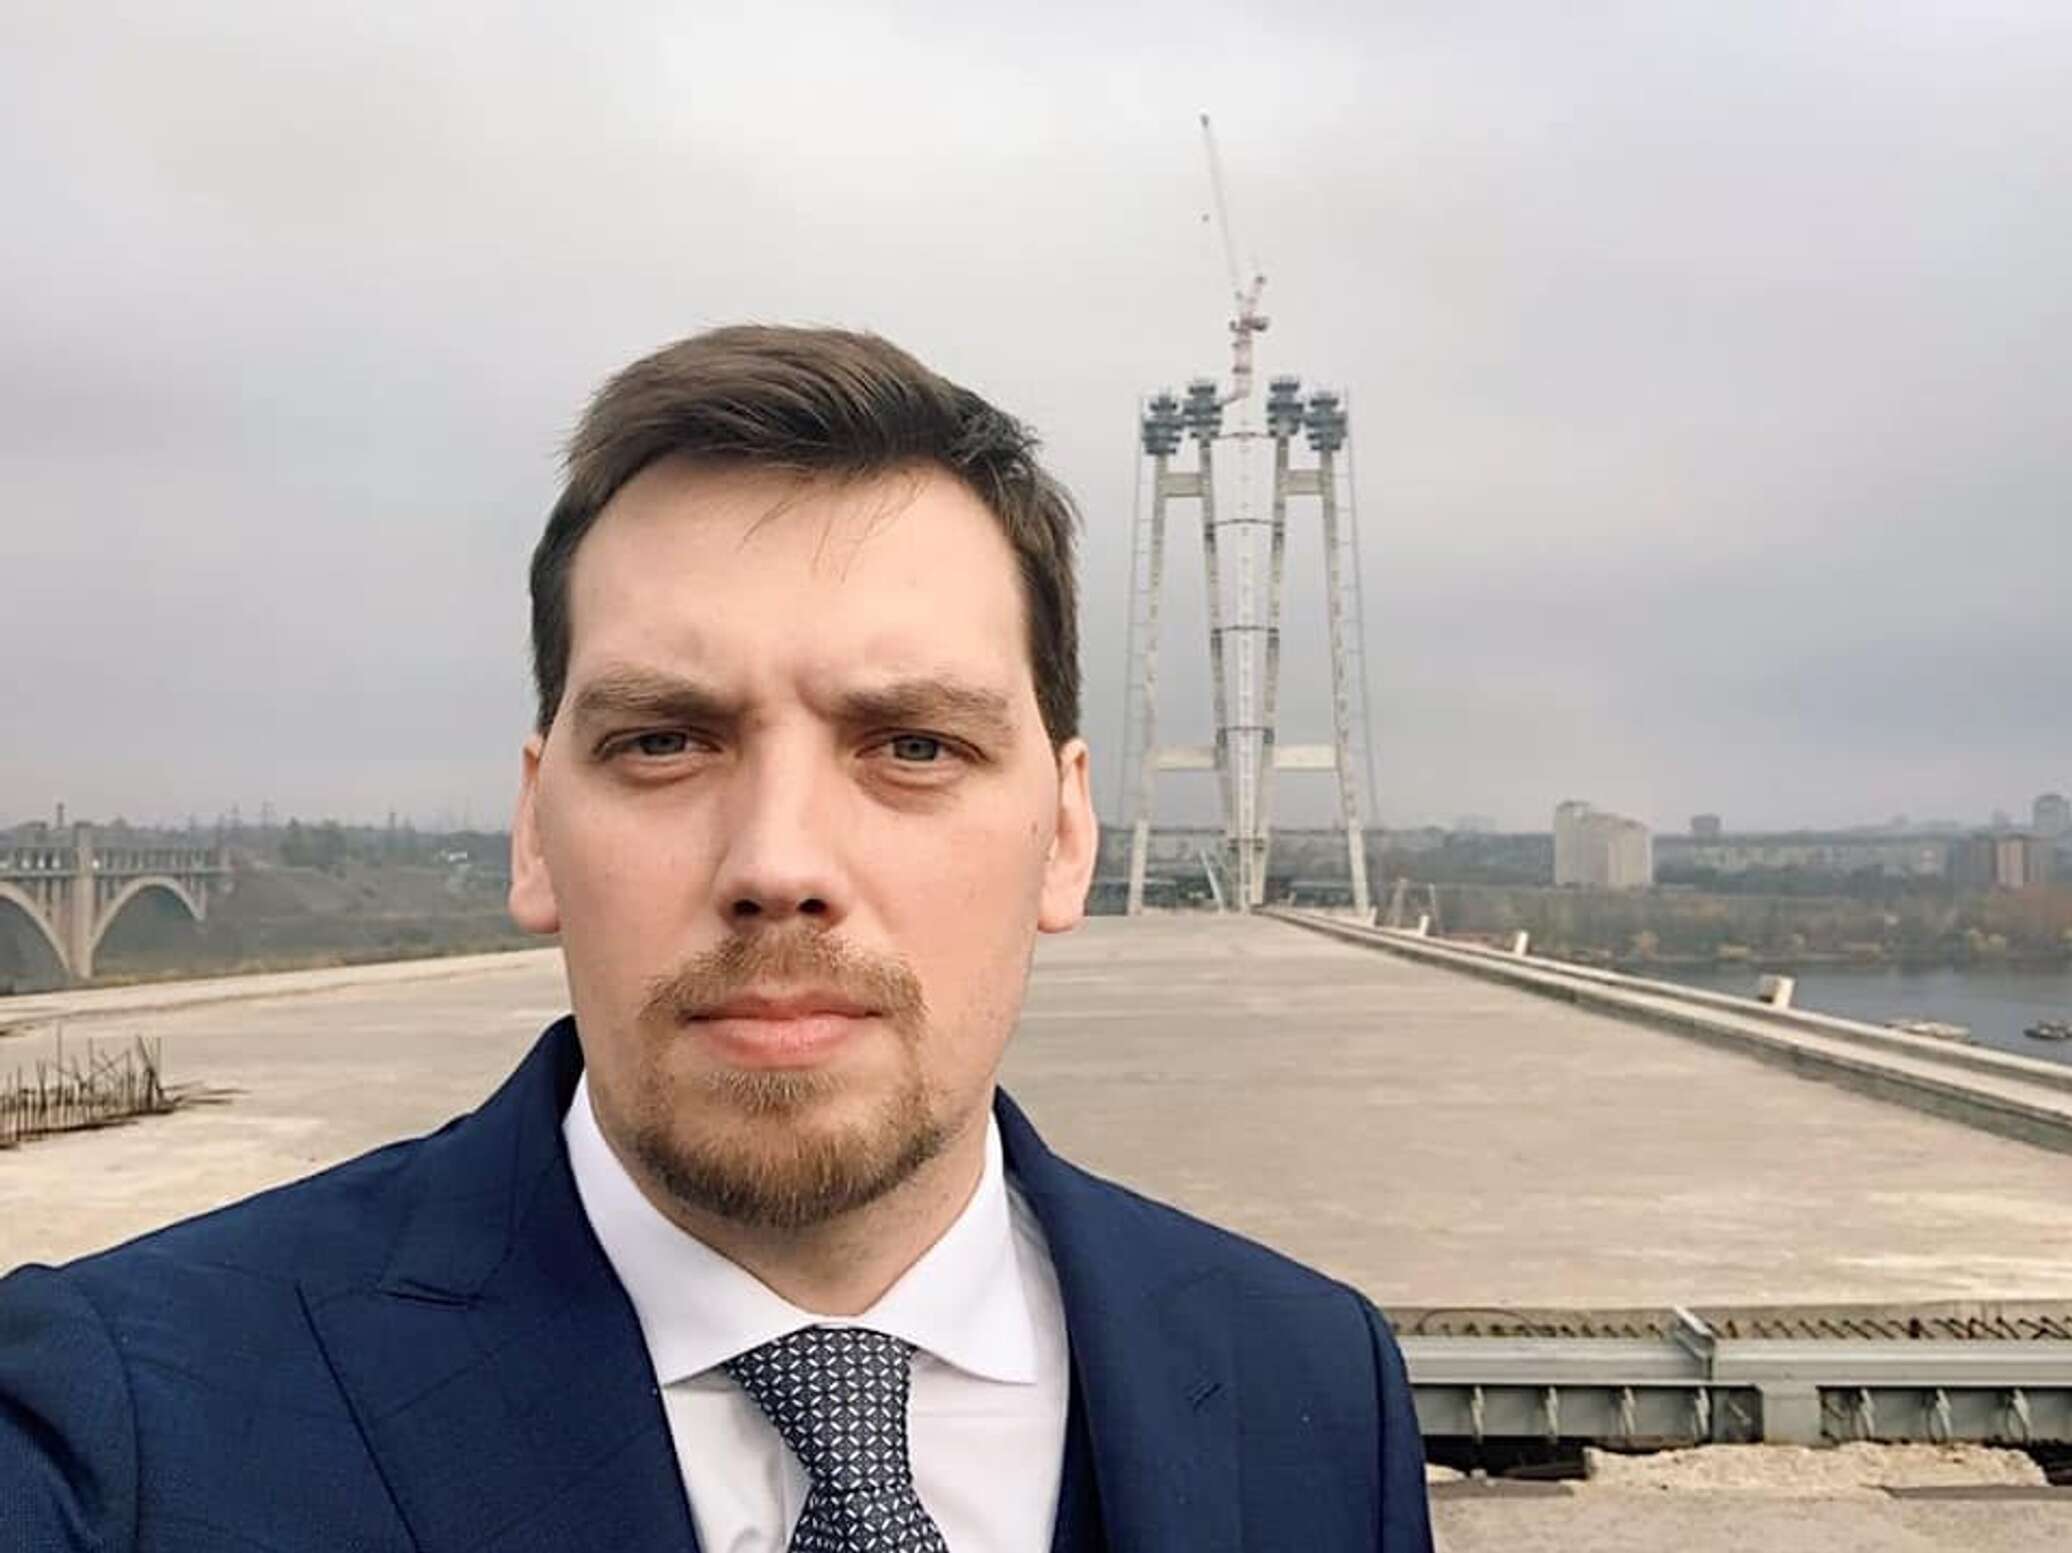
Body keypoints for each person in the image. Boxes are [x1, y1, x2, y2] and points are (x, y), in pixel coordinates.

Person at [0, 326, 1432, 1551]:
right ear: (534, 831)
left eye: (913, 745)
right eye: (665, 741)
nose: (777, 864)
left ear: (1064, 835)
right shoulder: (116, 1432)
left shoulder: (1314, 1389)